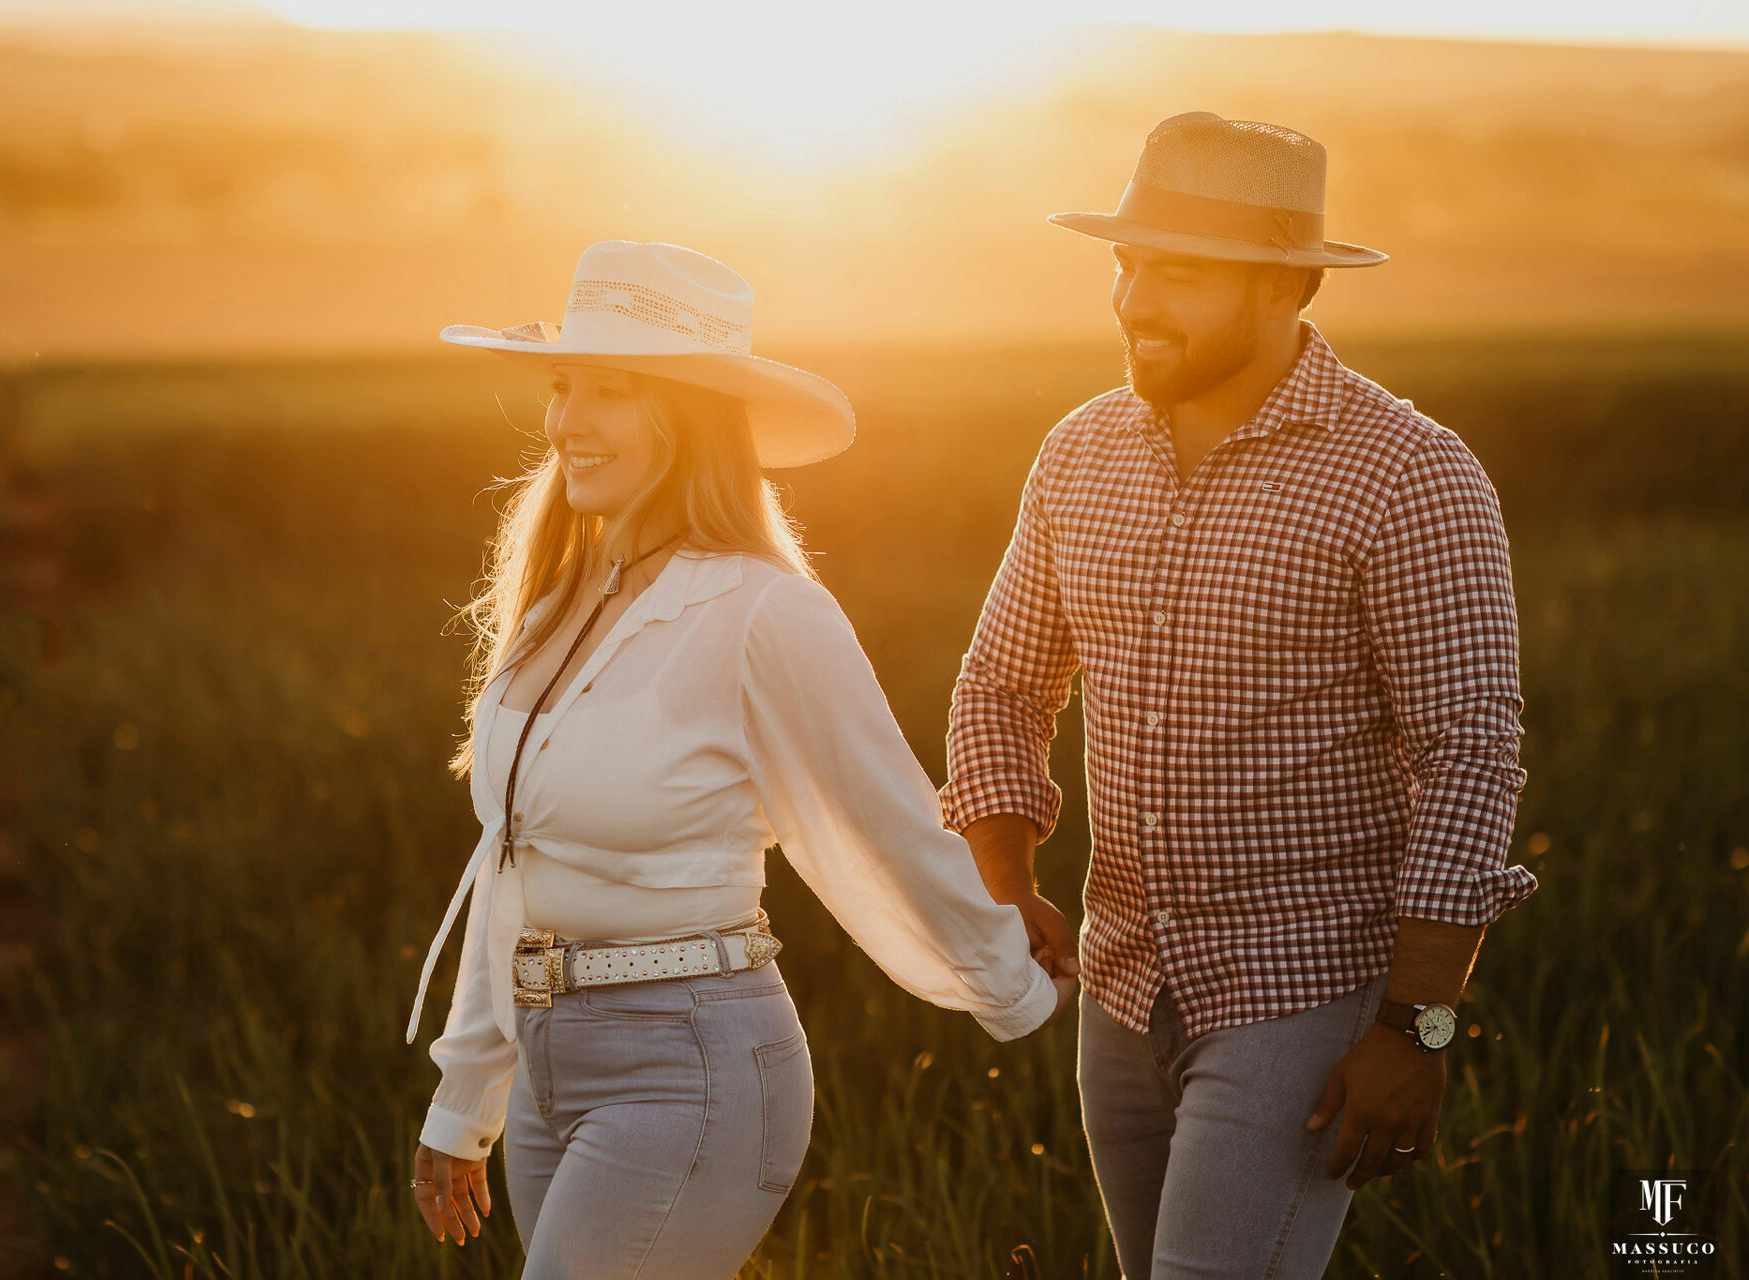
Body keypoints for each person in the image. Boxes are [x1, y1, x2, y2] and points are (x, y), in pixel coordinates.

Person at [401, 239, 1074, 1277]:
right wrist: (465, 1097)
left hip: (692, 1071)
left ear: (691, 412)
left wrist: (1011, 971)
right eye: (561, 384)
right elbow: (509, 863)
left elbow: (885, 817)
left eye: (610, 390)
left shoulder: (768, 613)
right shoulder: (555, 606)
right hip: (546, 1068)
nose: (566, 421)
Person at [941, 113, 1539, 1279]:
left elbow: (1467, 754)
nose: (1130, 300)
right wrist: (1003, 886)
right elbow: (1003, 681)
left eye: (1177, 271)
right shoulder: (1078, 453)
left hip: (1301, 994)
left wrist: (1415, 1024)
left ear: (1289, 286)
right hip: (1119, 992)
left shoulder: (1409, 474)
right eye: (1125, 261)